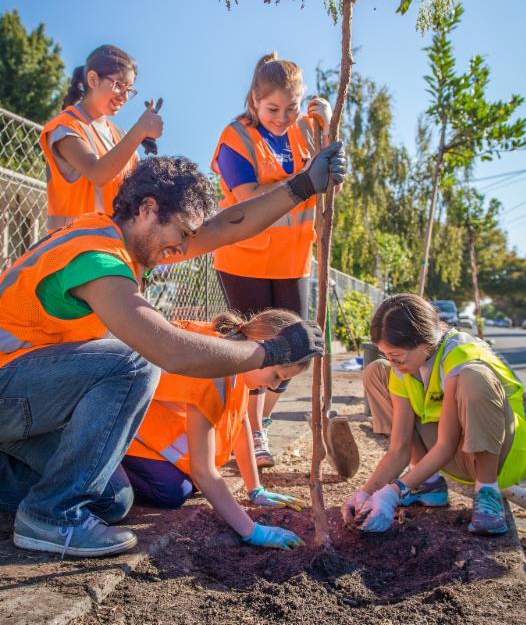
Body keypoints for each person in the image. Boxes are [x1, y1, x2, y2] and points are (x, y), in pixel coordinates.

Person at [0, 144, 345, 558]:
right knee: (135, 362)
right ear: (148, 209)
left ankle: (39, 493)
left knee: (113, 500)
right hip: (11, 391)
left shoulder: (125, 244)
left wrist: (303, 186)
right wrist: (268, 353)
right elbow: (169, 350)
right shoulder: (96, 259)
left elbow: (229, 227)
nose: (183, 249)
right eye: (182, 233)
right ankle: (50, 517)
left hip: (27, 398)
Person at [211, 52, 331, 469]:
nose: (282, 117)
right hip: (243, 258)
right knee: (254, 350)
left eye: (291, 108)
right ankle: (253, 433)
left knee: (295, 350)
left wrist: (328, 122)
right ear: (254, 101)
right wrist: (303, 181)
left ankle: (259, 423)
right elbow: (247, 200)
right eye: (272, 109)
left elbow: (327, 158)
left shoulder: (304, 130)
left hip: (294, 258)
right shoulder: (236, 138)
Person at [341, 294, 526, 536]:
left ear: (423, 343)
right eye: (388, 354)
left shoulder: (461, 355)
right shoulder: (403, 367)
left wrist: (395, 490)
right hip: (454, 454)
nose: (393, 362)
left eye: (397, 356)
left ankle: (488, 493)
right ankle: (428, 484)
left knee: (474, 376)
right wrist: (366, 492)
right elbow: (398, 448)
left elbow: (446, 444)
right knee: (377, 371)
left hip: (499, 455)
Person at [124, 310, 309, 551]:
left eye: (282, 382)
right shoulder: (213, 372)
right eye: (276, 375)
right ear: (260, 347)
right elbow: (204, 472)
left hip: (146, 428)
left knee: (185, 486)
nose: (274, 386)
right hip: (123, 430)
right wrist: (251, 531)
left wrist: (255, 488)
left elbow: (241, 422)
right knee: (172, 491)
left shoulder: (235, 360)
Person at [40, 44, 163, 231]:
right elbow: (98, 173)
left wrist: (141, 137)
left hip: (110, 245)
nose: (124, 96)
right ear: (93, 79)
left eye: (129, 89)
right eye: (119, 85)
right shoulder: (64, 127)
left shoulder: (119, 136)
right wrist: (139, 131)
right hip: (72, 247)